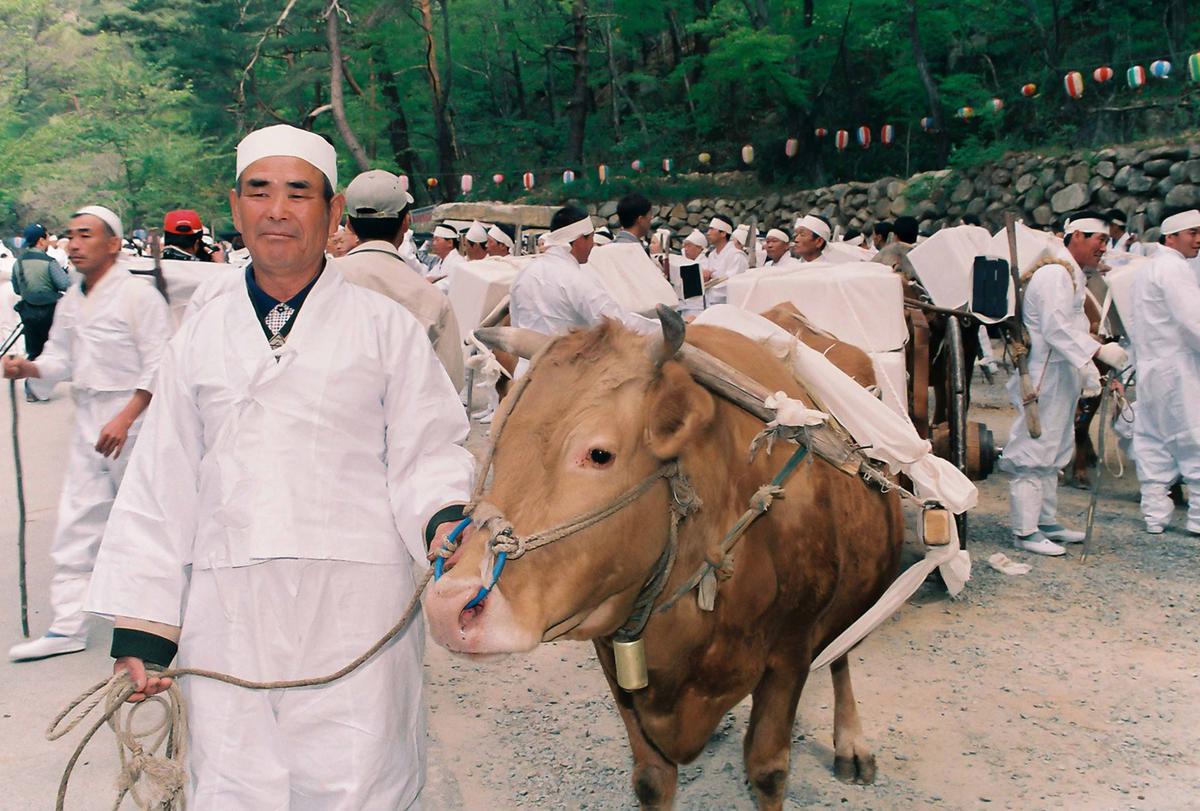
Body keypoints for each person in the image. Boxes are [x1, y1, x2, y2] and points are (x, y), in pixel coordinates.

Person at [84, 124, 474, 808]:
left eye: (298, 192)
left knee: (361, 782)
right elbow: (161, 483)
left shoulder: (386, 329)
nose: (278, 210)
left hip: (358, 603)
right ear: (235, 208)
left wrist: (442, 520)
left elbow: (428, 452)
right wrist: (145, 627)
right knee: (235, 784)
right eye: (260, 192)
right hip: (227, 610)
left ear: (332, 210)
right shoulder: (200, 335)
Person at [5, 205, 172, 660]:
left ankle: (157, 626)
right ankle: (67, 626)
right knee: (77, 521)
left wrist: (125, 417)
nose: (74, 244)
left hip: (136, 421)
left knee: (147, 525)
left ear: (113, 244)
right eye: (71, 235)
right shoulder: (73, 299)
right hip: (88, 418)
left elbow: (161, 363)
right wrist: (29, 368)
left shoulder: (138, 297)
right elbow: (61, 356)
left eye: (86, 235)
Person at [998, 212, 1129, 556]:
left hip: (1062, 372)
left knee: (1056, 448)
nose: (1104, 247)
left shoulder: (1072, 274)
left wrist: (1088, 371)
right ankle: (1025, 530)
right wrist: (1098, 351)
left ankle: (1044, 521)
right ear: (1077, 237)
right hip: (1045, 374)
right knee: (1035, 448)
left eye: (1106, 240)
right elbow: (1055, 328)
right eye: (1099, 239)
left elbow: (1072, 326)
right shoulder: (1055, 274)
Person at [339, 169, 465, 390]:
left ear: (349, 223)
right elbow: (450, 384)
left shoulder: (317, 281)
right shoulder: (432, 299)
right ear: (406, 223)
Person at [1127, 209, 1200, 535]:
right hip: (1176, 366)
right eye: (1192, 233)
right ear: (1171, 237)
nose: (1198, 240)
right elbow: (1193, 320)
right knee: (1193, 437)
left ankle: (1155, 515)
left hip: (1150, 366)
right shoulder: (1174, 268)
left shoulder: (1147, 268)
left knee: (1152, 438)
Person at [509, 205, 657, 340]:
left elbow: (516, 324)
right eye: (591, 238)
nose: (592, 245)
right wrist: (659, 329)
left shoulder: (524, 273)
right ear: (580, 240)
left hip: (526, 360)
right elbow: (615, 321)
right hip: (565, 359)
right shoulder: (576, 279)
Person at [9, 223, 70, 374]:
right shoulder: (50, 262)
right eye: (47, 238)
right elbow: (64, 284)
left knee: (33, 352)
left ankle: (31, 383)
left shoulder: (18, 263)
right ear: (41, 241)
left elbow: (17, 289)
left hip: (28, 313)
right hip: (51, 313)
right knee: (51, 352)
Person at [704, 215, 748, 305]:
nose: (708, 233)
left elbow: (733, 282)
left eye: (712, 229)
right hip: (710, 304)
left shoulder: (736, 255)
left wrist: (711, 277)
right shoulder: (711, 255)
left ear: (723, 233)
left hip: (729, 305)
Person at [428, 223, 467, 290]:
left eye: (437, 240)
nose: (434, 243)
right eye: (433, 240)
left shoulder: (458, 263)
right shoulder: (440, 262)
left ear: (450, 243)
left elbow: (447, 287)